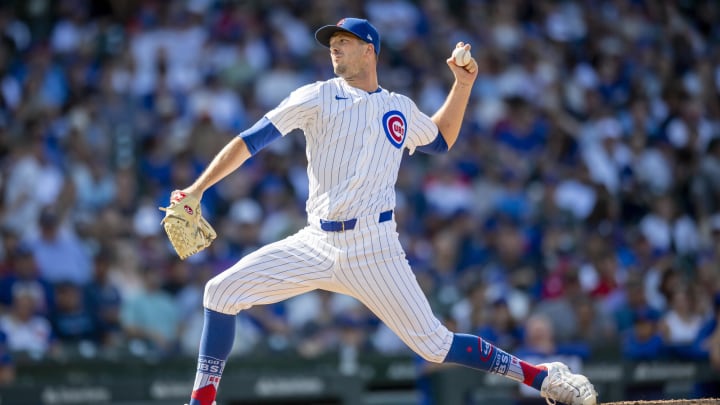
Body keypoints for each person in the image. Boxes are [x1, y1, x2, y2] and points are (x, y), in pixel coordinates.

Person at [174, 18, 597, 405]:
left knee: (434, 345)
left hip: (374, 247)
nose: (334, 49)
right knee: (220, 293)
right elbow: (252, 139)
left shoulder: (397, 107)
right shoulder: (316, 96)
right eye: (332, 43)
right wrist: (196, 190)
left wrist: (463, 85)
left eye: (344, 42)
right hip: (315, 241)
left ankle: (542, 377)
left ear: (370, 50)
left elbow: (441, 139)